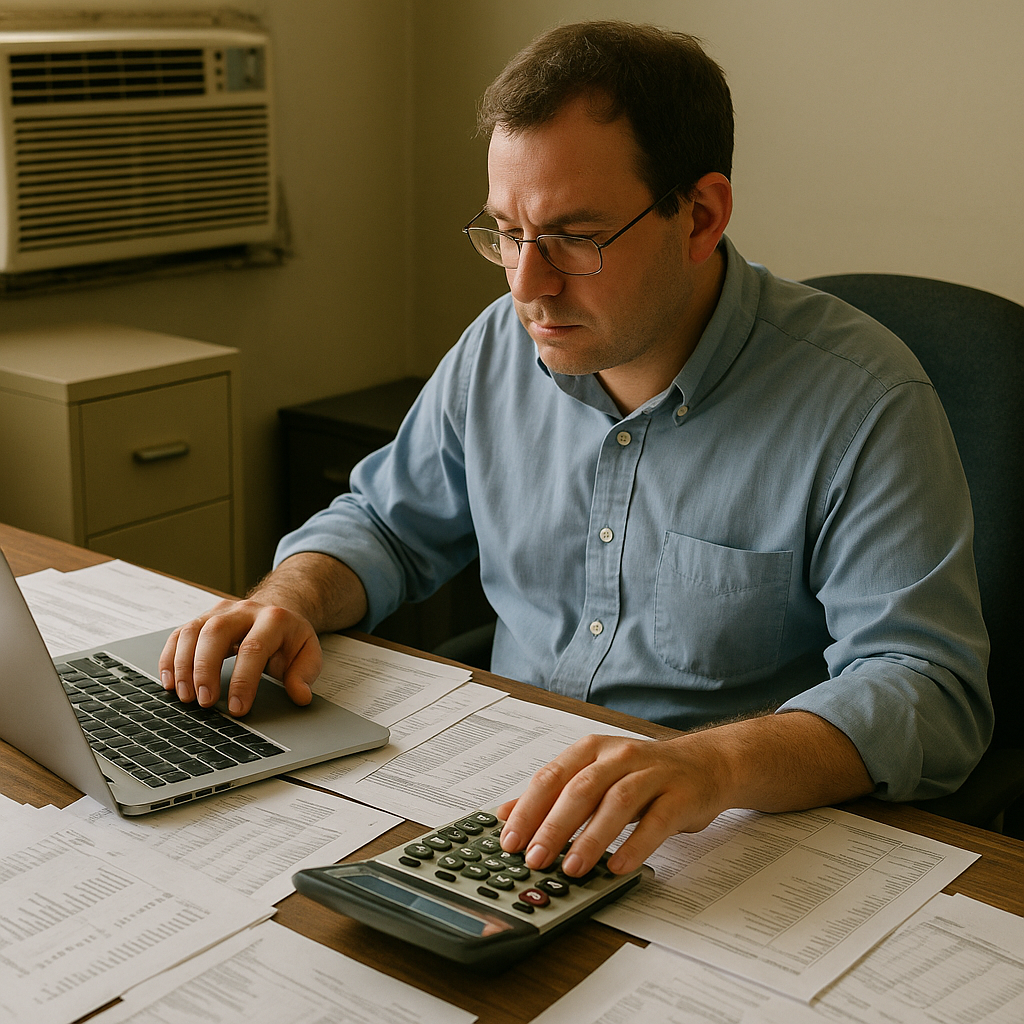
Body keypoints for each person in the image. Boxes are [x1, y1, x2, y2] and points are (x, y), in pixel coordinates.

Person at [160, 21, 992, 880]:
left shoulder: (864, 401)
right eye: (505, 233)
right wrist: (289, 597)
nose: (527, 285)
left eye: (575, 237)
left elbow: (926, 689)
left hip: (721, 840)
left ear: (700, 215)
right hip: (497, 803)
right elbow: (386, 522)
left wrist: (711, 766)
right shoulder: (499, 344)